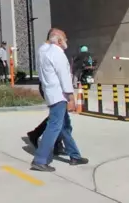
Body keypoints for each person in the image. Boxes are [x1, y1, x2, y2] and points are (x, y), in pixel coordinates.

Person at [31, 28, 89, 172]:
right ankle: (40, 159)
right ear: (58, 40)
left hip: (52, 93)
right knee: (55, 127)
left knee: (63, 126)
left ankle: (74, 155)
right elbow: (64, 77)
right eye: (64, 38)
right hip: (59, 95)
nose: (66, 41)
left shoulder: (45, 52)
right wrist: (71, 97)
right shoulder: (58, 54)